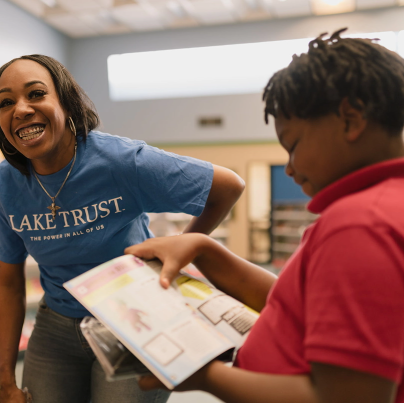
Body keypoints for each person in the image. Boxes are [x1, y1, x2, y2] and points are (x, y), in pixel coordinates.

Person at [126, 28, 404, 403]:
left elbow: (347, 397)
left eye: (293, 146)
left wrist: (204, 375)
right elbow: (305, 310)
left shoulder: (359, 226)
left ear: (350, 120)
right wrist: (207, 251)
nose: (289, 169)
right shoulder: (381, 207)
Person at [0, 54, 245, 403]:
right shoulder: (7, 182)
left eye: (35, 94)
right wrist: (5, 379)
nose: (21, 109)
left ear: (65, 101)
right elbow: (7, 279)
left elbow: (227, 186)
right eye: (6, 102)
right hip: (56, 325)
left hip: (133, 318)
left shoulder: (121, 162)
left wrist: (184, 247)